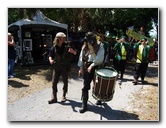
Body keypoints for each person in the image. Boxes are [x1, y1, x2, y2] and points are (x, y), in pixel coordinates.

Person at [77, 32, 105, 113]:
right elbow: (81, 56)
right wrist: (81, 67)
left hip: (96, 66)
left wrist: (92, 65)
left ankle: (99, 99)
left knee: (98, 85)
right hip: (87, 65)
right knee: (85, 86)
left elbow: (99, 58)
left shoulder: (100, 45)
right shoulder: (85, 44)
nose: (89, 42)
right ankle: (84, 105)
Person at [48, 32, 77, 104]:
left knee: (65, 81)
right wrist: (51, 60)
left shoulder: (67, 46)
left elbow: (76, 53)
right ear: (59, 39)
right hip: (56, 67)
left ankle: (64, 96)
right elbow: (50, 55)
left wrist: (73, 51)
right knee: (54, 82)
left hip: (65, 66)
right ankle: (54, 97)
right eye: (63, 37)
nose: (64, 39)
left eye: (64, 37)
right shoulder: (54, 47)